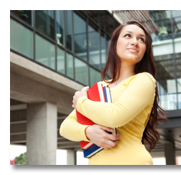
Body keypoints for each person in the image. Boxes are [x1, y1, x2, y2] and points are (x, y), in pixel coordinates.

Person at [60, 20, 167, 165]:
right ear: (115, 43)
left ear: (145, 49)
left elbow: (115, 116)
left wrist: (81, 102)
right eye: (128, 36)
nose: (135, 42)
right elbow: (65, 127)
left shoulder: (144, 80)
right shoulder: (100, 87)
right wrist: (88, 132)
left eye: (141, 39)